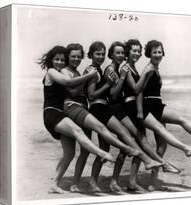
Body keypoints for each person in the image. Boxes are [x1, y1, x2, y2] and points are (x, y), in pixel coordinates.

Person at [133, 40, 191, 190]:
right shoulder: (149, 69)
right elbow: (138, 91)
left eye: (159, 52)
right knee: (181, 120)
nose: (158, 55)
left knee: (162, 145)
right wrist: (139, 111)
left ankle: (152, 181)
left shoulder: (154, 68)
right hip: (150, 107)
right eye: (154, 52)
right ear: (149, 54)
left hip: (156, 105)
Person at [85, 41, 172, 193]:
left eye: (121, 53)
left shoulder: (119, 68)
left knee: (116, 146)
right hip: (113, 109)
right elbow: (113, 94)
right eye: (116, 53)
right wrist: (123, 77)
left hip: (118, 109)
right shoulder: (112, 69)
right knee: (128, 141)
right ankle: (155, 163)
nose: (120, 55)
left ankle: (116, 181)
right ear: (111, 55)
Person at [102, 41, 185, 192]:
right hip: (127, 108)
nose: (137, 53)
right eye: (134, 51)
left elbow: (138, 90)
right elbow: (134, 89)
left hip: (134, 108)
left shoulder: (131, 68)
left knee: (138, 143)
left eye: (139, 51)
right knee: (133, 144)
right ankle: (115, 181)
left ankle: (132, 181)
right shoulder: (125, 68)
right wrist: (146, 73)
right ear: (128, 52)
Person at [60, 43, 141, 193]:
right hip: (94, 109)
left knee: (92, 149)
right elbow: (91, 95)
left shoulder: (97, 70)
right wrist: (108, 84)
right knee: (93, 148)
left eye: (102, 54)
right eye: (97, 54)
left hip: (87, 109)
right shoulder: (92, 70)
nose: (101, 57)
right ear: (90, 55)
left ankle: (86, 182)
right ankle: (80, 182)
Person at [38, 45, 116, 194]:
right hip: (52, 113)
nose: (60, 62)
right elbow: (68, 83)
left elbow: (72, 89)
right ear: (51, 60)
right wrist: (88, 76)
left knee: (69, 153)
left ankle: (54, 184)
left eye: (62, 60)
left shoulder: (65, 72)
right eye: (57, 59)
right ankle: (101, 153)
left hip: (62, 114)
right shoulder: (52, 71)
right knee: (78, 130)